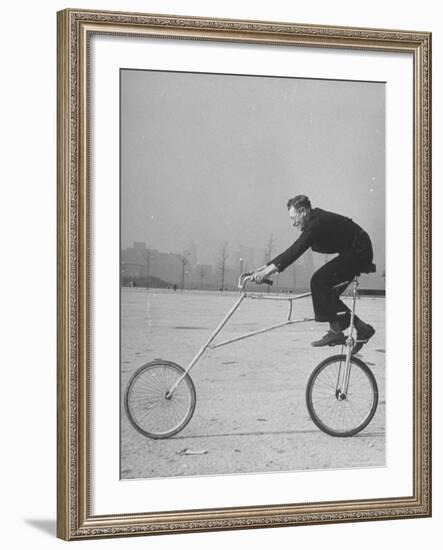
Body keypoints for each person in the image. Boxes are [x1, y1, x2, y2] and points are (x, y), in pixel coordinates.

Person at [251, 195, 376, 348]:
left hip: (359, 251)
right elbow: (294, 250)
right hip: (354, 250)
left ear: (303, 211)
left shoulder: (316, 223)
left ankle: (336, 332)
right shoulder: (315, 220)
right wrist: (265, 268)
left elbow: (296, 249)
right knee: (328, 295)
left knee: (318, 281)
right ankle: (362, 328)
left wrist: (267, 272)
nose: (293, 223)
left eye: (293, 218)